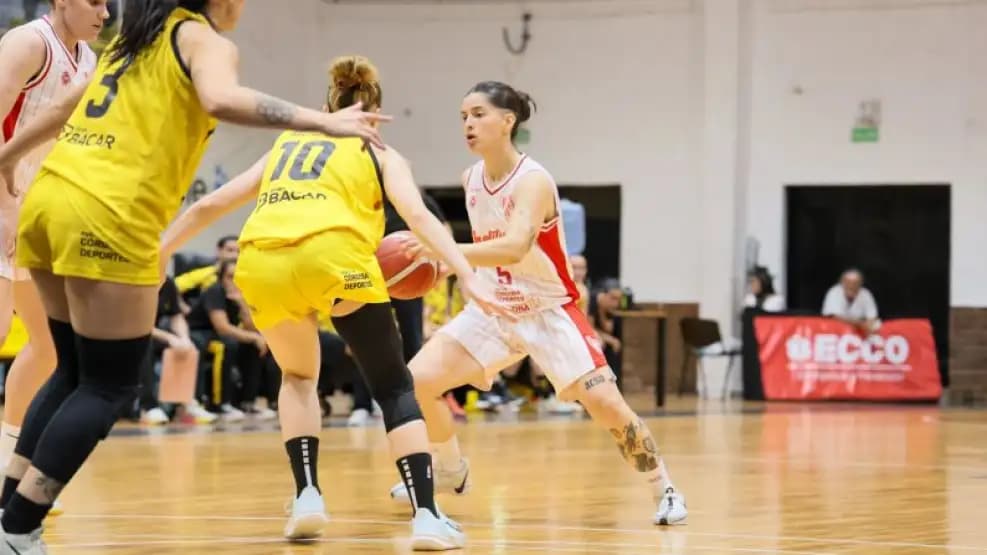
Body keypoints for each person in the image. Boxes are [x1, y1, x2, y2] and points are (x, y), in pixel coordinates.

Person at [0, 1, 388, 550]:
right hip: (109, 212)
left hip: (50, 200)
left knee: (69, 370)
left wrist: (8, 155)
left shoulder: (136, 37)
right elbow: (220, 99)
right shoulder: (199, 38)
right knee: (107, 384)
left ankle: (7, 508)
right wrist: (323, 119)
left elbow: (70, 99)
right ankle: (18, 527)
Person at [160, 55, 512, 548]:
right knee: (393, 385)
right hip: (334, 256)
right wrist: (465, 271)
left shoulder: (288, 143)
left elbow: (210, 204)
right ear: (374, 115)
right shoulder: (381, 154)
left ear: (329, 107)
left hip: (261, 261)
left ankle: (307, 497)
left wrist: (159, 251)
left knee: (299, 378)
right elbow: (417, 215)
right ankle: (427, 516)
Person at [389, 81, 688, 526]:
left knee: (607, 406)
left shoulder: (533, 181)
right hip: (495, 308)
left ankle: (664, 489)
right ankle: (450, 468)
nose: (468, 124)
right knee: (416, 381)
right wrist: (455, 267)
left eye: (478, 114)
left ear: (507, 121)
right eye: (463, 117)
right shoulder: (471, 179)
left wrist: (445, 252)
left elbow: (512, 247)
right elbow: (488, 252)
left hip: (549, 310)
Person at [0, 0, 103, 499]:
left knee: (51, 348)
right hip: (2, 208)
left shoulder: (89, 59)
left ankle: (7, 460)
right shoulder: (26, 44)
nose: (104, 13)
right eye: (95, 1)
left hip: (37, 217)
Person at [822, 267, 880, 334]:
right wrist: (859, 324)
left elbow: (872, 316)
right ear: (842, 282)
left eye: (855, 283)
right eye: (848, 282)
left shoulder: (865, 294)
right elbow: (833, 316)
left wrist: (869, 325)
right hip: (835, 331)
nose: (851, 286)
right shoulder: (834, 291)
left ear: (860, 283)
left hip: (859, 332)